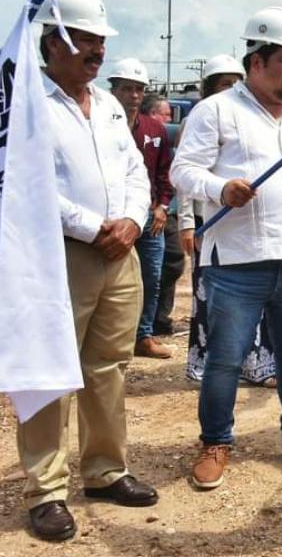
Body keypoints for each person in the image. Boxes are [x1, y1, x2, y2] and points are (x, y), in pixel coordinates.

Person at [19, 0, 158, 542]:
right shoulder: (26, 102)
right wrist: (92, 226)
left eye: (102, 41)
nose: (98, 51)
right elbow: (23, 183)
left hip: (119, 253)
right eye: (86, 40)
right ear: (53, 41)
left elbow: (135, 173)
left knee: (107, 367)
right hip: (59, 254)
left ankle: (104, 471)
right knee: (50, 370)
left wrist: (132, 221)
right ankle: (45, 490)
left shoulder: (109, 107)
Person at [171, 7, 282, 490]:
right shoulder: (217, 110)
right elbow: (182, 171)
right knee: (225, 358)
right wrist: (220, 189)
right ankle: (216, 441)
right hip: (236, 262)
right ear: (255, 62)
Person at [178, 54, 277, 386]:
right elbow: (185, 178)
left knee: (254, 302)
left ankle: (255, 364)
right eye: (224, 83)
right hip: (209, 224)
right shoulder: (201, 119)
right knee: (209, 299)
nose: (232, 88)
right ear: (209, 87)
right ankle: (207, 364)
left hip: (246, 226)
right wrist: (186, 225)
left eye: (236, 81)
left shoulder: (250, 117)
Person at [108, 58, 174, 359]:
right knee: (110, 280)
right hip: (112, 215)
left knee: (151, 276)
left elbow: (164, 172)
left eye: (138, 89)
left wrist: (163, 206)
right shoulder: (101, 125)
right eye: (126, 88)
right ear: (114, 90)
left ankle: (143, 335)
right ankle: (113, 338)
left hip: (149, 216)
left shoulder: (155, 129)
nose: (133, 95)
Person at [138, 92, 183, 337]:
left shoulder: (162, 135)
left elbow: (166, 173)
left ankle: (153, 323)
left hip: (159, 211)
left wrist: (163, 205)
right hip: (132, 212)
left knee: (166, 265)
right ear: (154, 113)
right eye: (166, 114)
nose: (169, 120)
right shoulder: (125, 130)